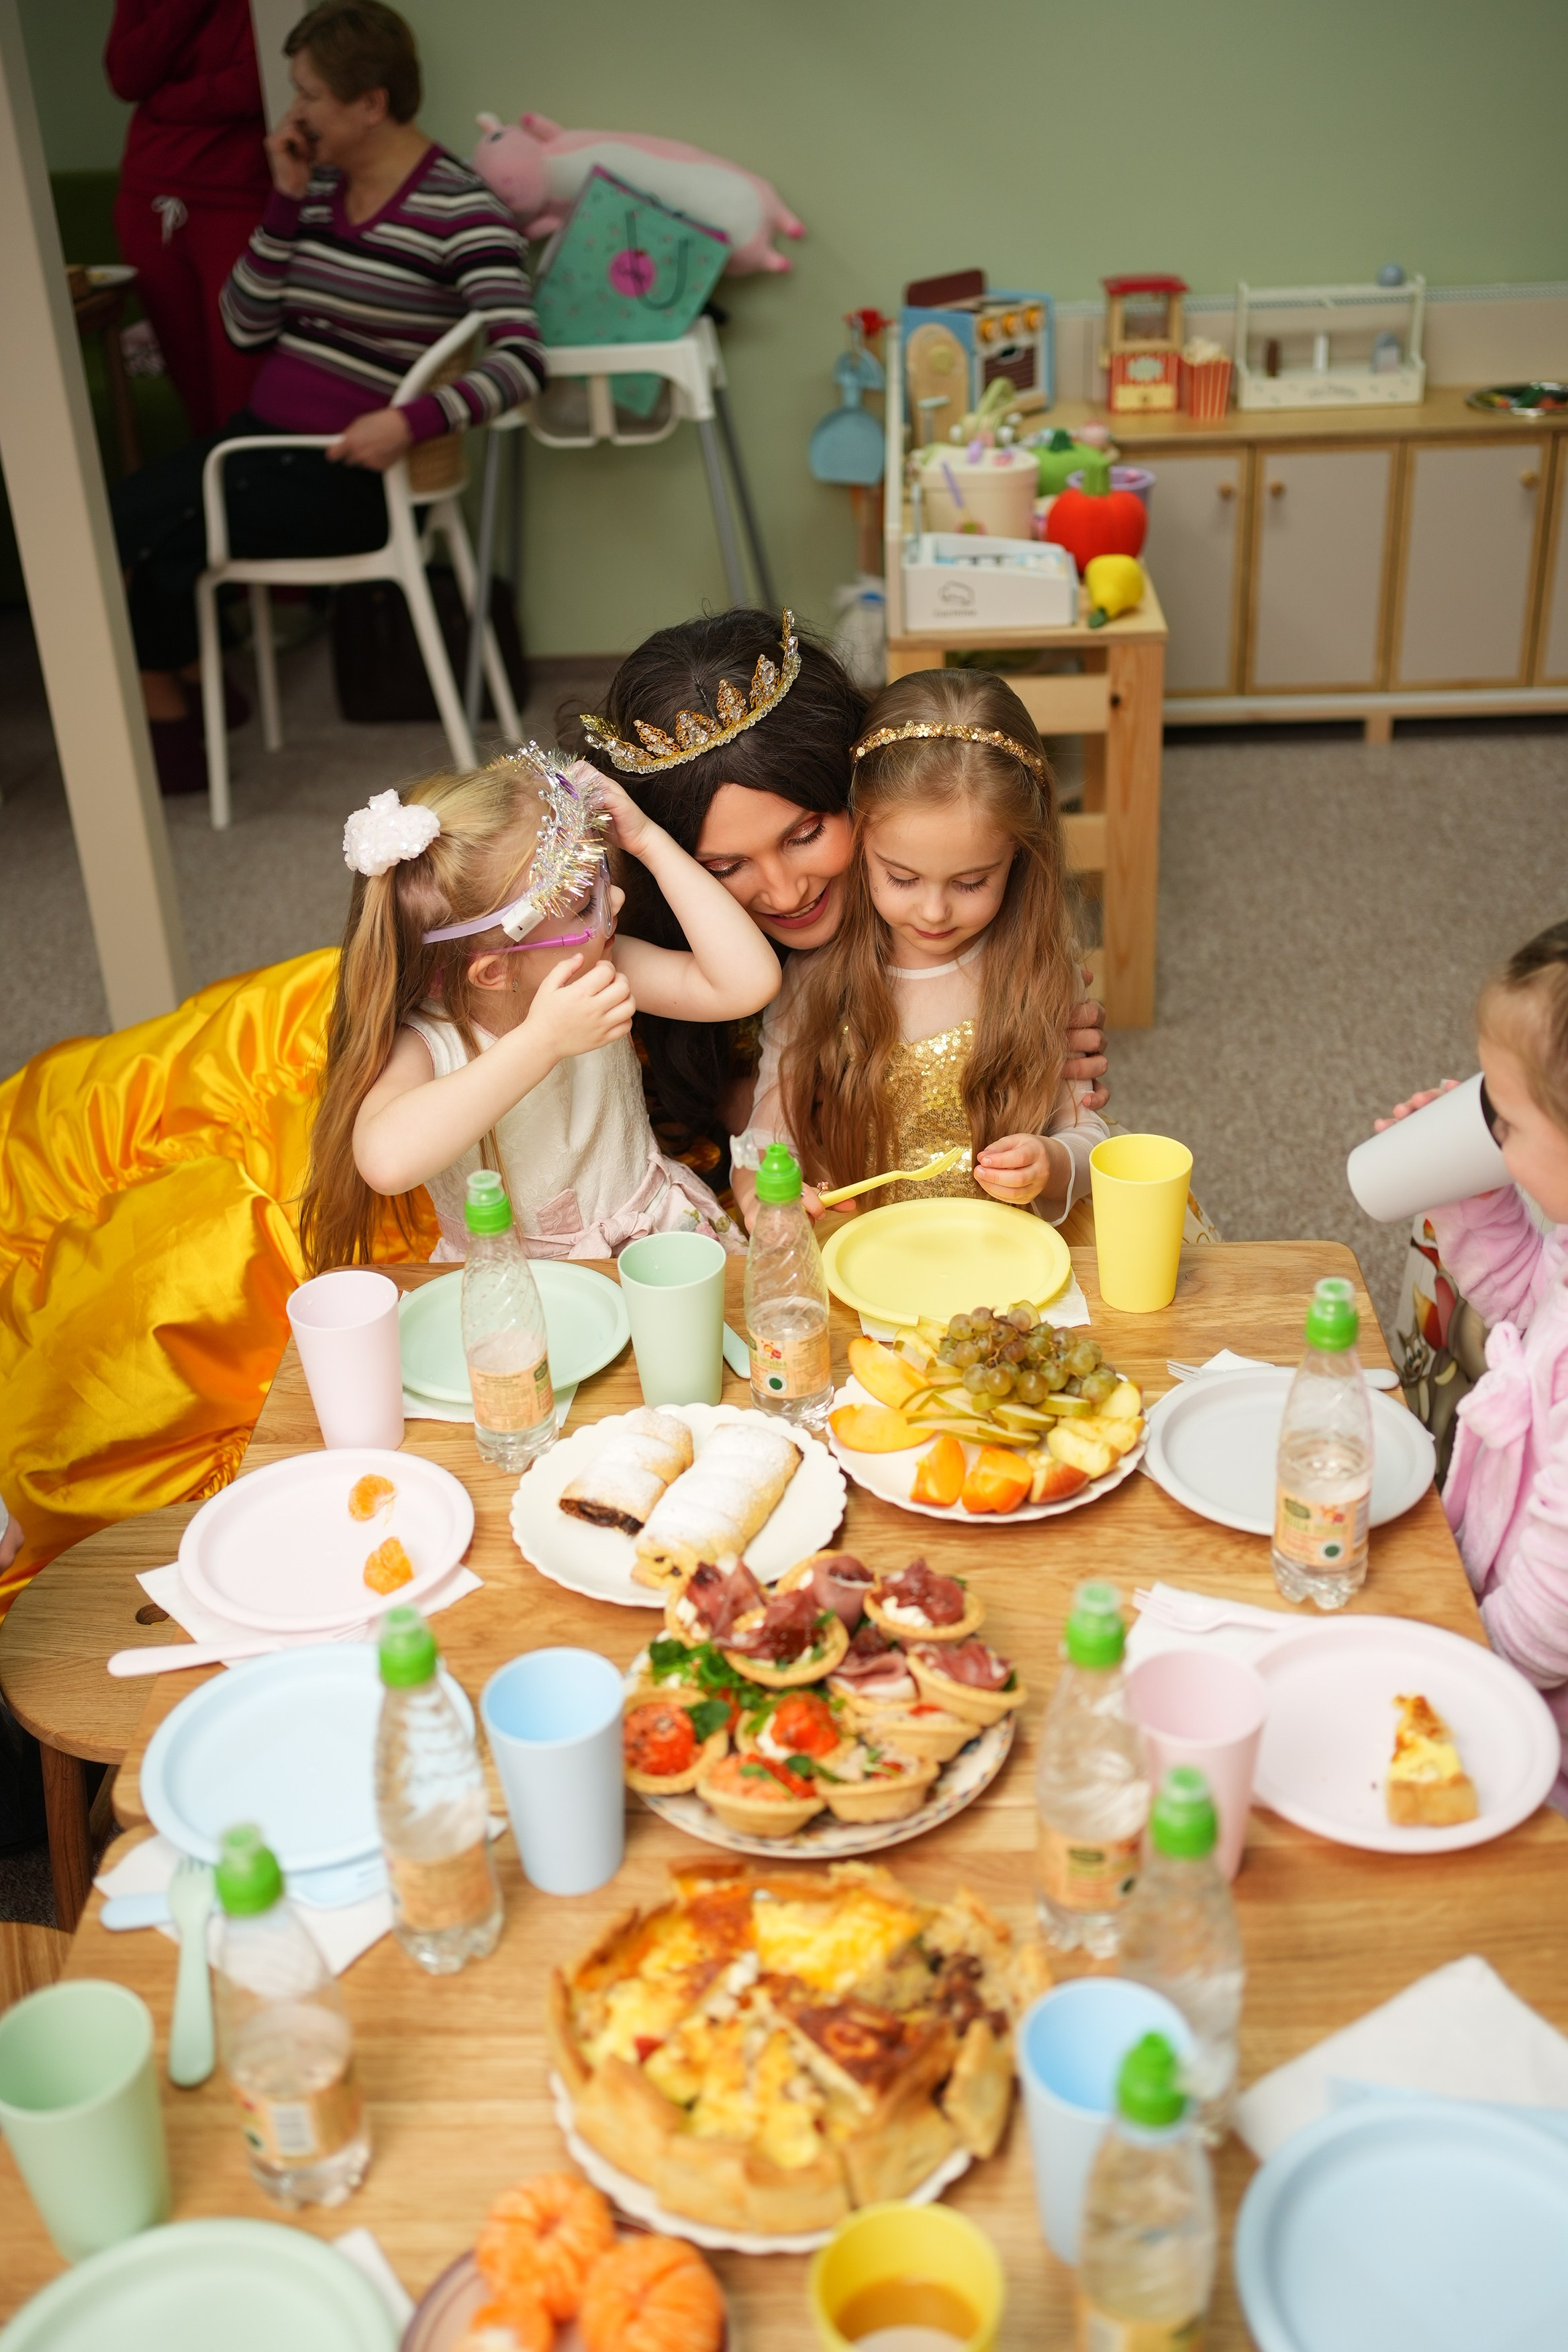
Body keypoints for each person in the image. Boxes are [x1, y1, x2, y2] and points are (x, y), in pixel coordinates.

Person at [111, 0, 544, 795]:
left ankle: (173, 712)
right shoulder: (313, 194)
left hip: (348, 475)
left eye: (309, 93)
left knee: (133, 531)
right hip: (259, 444)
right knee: (122, 526)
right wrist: (282, 201)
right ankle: (186, 692)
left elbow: (522, 361)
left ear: (369, 103)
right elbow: (243, 327)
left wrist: (404, 423)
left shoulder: (461, 209)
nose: (294, 112)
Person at [575, 609, 1109, 1170]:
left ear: (862, 788)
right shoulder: (638, 937)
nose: (786, 894)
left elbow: (1065, 1123)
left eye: (805, 835)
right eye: (726, 867)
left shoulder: (943, 874)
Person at [299, 751, 780, 1272]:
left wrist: (648, 841)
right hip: (518, 1281)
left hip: (658, 1246)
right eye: (583, 905)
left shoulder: (599, 968)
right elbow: (386, 1161)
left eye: (599, 878)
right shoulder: (428, 1040)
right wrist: (541, 1042)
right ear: (493, 972)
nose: (617, 898)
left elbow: (747, 983)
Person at [722, 668, 1110, 1229]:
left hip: (1002, 1243)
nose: (933, 912)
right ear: (861, 840)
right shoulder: (817, 977)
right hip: (869, 1241)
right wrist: (762, 1192)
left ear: (1020, 856)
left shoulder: (1041, 973)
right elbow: (767, 1134)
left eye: (971, 883)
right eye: (902, 878)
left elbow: (1086, 1133)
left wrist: (1052, 1163)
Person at [1378, 920, 1568, 1803]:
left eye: (1507, 1120)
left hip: (1533, 1695)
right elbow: (1528, 1306)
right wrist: (1475, 1197)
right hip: (1498, 1598)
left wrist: (1473, 1667)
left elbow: (1557, 1593)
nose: (1487, 1132)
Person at [106, 0, 271, 437]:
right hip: (148, 198)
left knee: (243, 390)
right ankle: (214, 477)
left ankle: (243, 476)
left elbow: (257, 84)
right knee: (193, 394)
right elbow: (125, 75)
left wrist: (165, 101)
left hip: (239, 195)